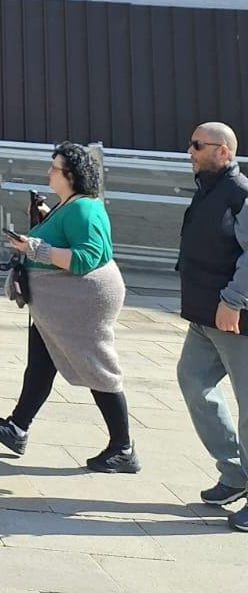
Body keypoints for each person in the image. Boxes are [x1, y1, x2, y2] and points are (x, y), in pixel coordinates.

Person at [0, 142, 139, 473]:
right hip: (58, 304)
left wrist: (35, 247)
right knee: (40, 364)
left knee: (97, 368)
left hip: (78, 303)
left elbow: (86, 258)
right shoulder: (72, 205)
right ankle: (17, 427)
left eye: (54, 168)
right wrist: (45, 218)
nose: (48, 173)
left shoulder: (84, 208)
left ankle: (123, 448)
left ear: (71, 175)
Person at [175, 121, 248, 528]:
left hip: (234, 318)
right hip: (204, 318)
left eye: (197, 145)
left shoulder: (241, 194)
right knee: (192, 380)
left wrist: (233, 301)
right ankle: (236, 471)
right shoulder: (209, 190)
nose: (190, 151)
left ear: (223, 151)